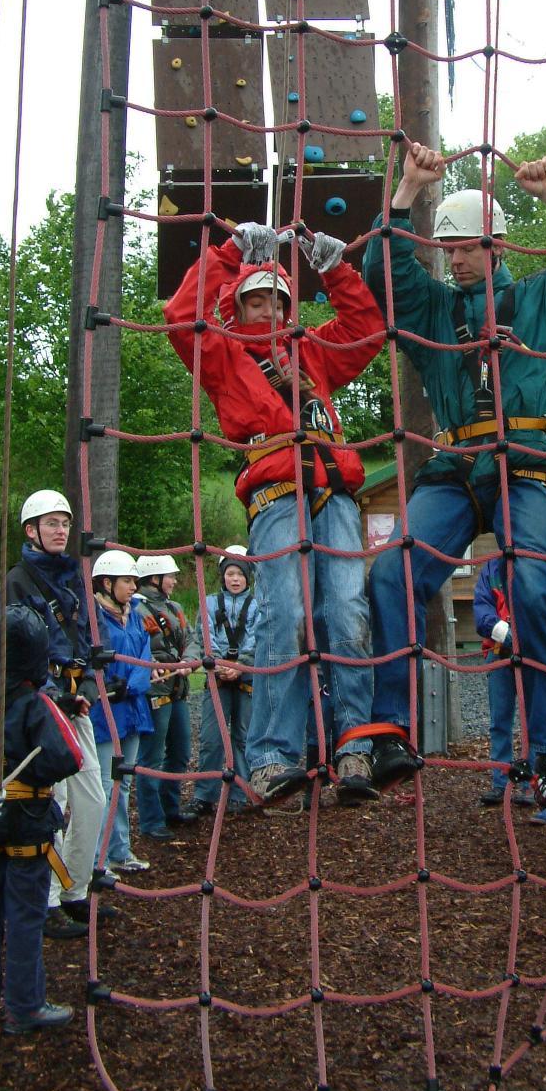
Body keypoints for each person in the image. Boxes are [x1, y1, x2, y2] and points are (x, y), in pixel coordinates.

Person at [362, 143, 546, 817]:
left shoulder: (541, 298)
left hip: (530, 465)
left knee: (537, 588)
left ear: (498, 245)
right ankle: (391, 729)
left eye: (465, 249)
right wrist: (407, 190)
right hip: (455, 469)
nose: (453, 260)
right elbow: (381, 272)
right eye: (446, 250)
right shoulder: (430, 310)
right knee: (392, 573)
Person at [166, 222, 385, 806]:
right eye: (255, 298)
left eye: (277, 299)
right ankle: (270, 755)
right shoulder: (221, 354)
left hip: (333, 489)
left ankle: (355, 744)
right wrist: (233, 252)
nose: (267, 308)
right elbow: (180, 313)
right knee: (284, 610)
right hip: (275, 491)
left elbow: (366, 333)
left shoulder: (311, 353)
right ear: (237, 305)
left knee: (345, 608)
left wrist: (335, 270)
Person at [2, 489, 109, 938]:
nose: (60, 530)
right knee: (54, 804)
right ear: (31, 530)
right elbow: (12, 646)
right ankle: (46, 901)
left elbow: (84, 640)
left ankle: (76, 890)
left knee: (93, 799)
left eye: (64, 523)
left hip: (74, 700)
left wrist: (83, 687)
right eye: (51, 523)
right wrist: (52, 694)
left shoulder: (72, 578)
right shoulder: (17, 581)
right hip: (40, 707)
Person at [0, 605, 82, 1033]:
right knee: (25, 914)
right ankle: (25, 1006)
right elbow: (69, 756)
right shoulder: (37, 705)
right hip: (26, 820)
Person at [88, 550, 154, 874]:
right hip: (104, 713)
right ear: (106, 582)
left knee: (123, 782)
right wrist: (111, 685)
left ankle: (120, 851)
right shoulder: (93, 619)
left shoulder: (137, 615)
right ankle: (97, 859)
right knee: (103, 784)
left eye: (133, 580)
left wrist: (133, 684)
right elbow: (90, 659)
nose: (132, 586)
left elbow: (146, 654)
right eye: (127, 580)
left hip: (133, 708)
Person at [184, 547, 259, 817]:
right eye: (230, 573)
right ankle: (204, 795)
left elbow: (256, 636)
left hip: (246, 675)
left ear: (248, 577)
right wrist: (216, 662)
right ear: (222, 576)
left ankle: (240, 794)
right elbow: (205, 634)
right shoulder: (210, 603)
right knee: (211, 738)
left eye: (240, 574)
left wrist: (240, 665)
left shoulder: (257, 604)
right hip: (217, 674)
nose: (235, 579)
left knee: (243, 737)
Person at [133, 554, 194, 839]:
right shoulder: (136, 610)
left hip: (177, 690)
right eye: (170, 576)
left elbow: (192, 640)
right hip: (155, 693)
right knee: (151, 758)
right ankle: (151, 821)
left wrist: (187, 662)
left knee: (180, 753)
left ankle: (171, 809)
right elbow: (137, 647)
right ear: (154, 579)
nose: (174, 580)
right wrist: (156, 664)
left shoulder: (175, 607)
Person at [472, 557, 535, 808]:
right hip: (499, 652)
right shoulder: (492, 570)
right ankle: (501, 782)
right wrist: (506, 633)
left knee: (531, 719)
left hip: (532, 654)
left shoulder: (534, 562)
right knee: (500, 720)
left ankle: (530, 782)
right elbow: (482, 609)